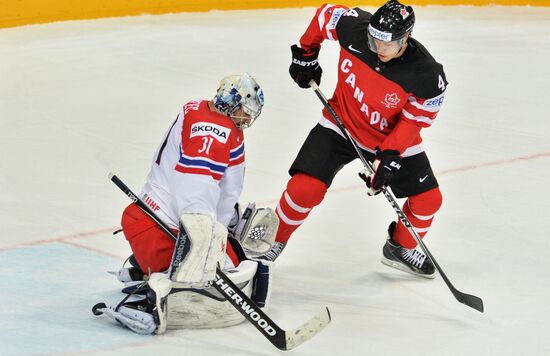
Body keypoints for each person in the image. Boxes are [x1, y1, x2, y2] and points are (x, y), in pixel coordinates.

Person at [260, 0, 447, 279]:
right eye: (374, 40)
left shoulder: (427, 75)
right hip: (340, 122)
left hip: (388, 136)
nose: (379, 49)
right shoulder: (354, 28)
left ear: (406, 38)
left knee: (429, 200)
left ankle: (399, 247)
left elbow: (413, 121)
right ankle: (273, 241)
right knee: (304, 189)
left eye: (387, 44)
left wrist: (389, 156)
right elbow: (325, 15)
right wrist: (306, 53)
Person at [93, 73, 279, 334]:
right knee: (228, 267)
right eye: (244, 112)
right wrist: (203, 242)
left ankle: (147, 267)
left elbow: (219, 188)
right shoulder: (212, 131)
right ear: (230, 102)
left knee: (235, 253)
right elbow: (194, 189)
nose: (247, 119)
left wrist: (230, 221)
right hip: (160, 230)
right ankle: (155, 290)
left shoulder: (204, 111)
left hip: (156, 221)